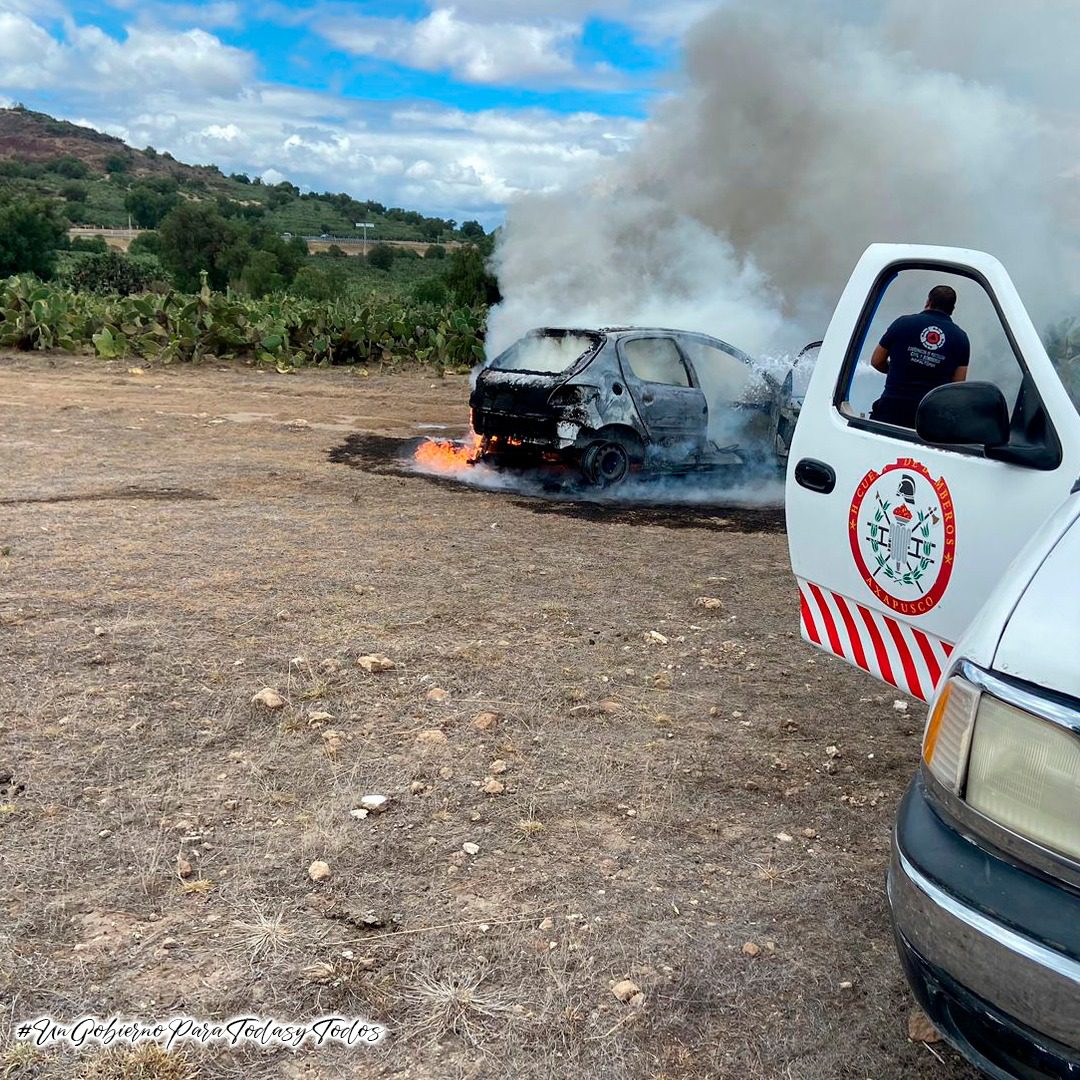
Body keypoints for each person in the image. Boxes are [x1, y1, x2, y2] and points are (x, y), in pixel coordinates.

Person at [869, 284, 970, 427]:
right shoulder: (961, 338)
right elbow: (957, 384)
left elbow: (876, 361)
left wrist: (898, 372)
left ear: (928, 302)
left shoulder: (902, 323)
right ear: (952, 310)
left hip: (890, 412)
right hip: (929, 421)